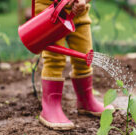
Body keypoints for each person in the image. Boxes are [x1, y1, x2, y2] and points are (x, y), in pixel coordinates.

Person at [35, 0, 114, 130]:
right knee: (55, 59)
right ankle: (50, 107)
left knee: (84, 56)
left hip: (79, 11)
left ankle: (86, 100)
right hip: (50, 10)